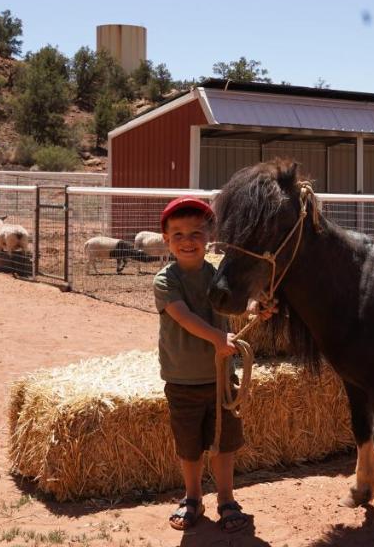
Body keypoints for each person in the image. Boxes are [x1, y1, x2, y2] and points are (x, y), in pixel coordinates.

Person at [153, 196, 251, 533]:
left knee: (224, 443)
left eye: (196, 233)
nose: (187, 241)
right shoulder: (166, 281)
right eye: (177, 234)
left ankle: (226, 498)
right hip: (183, 379)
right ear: (165, 240)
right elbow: (183, 317)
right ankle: (193, 496)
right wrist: (218, 338)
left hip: (221, 378)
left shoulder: (217, 276)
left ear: (209, 236)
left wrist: (255, 311)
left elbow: (236, 307)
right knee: (190, 446)